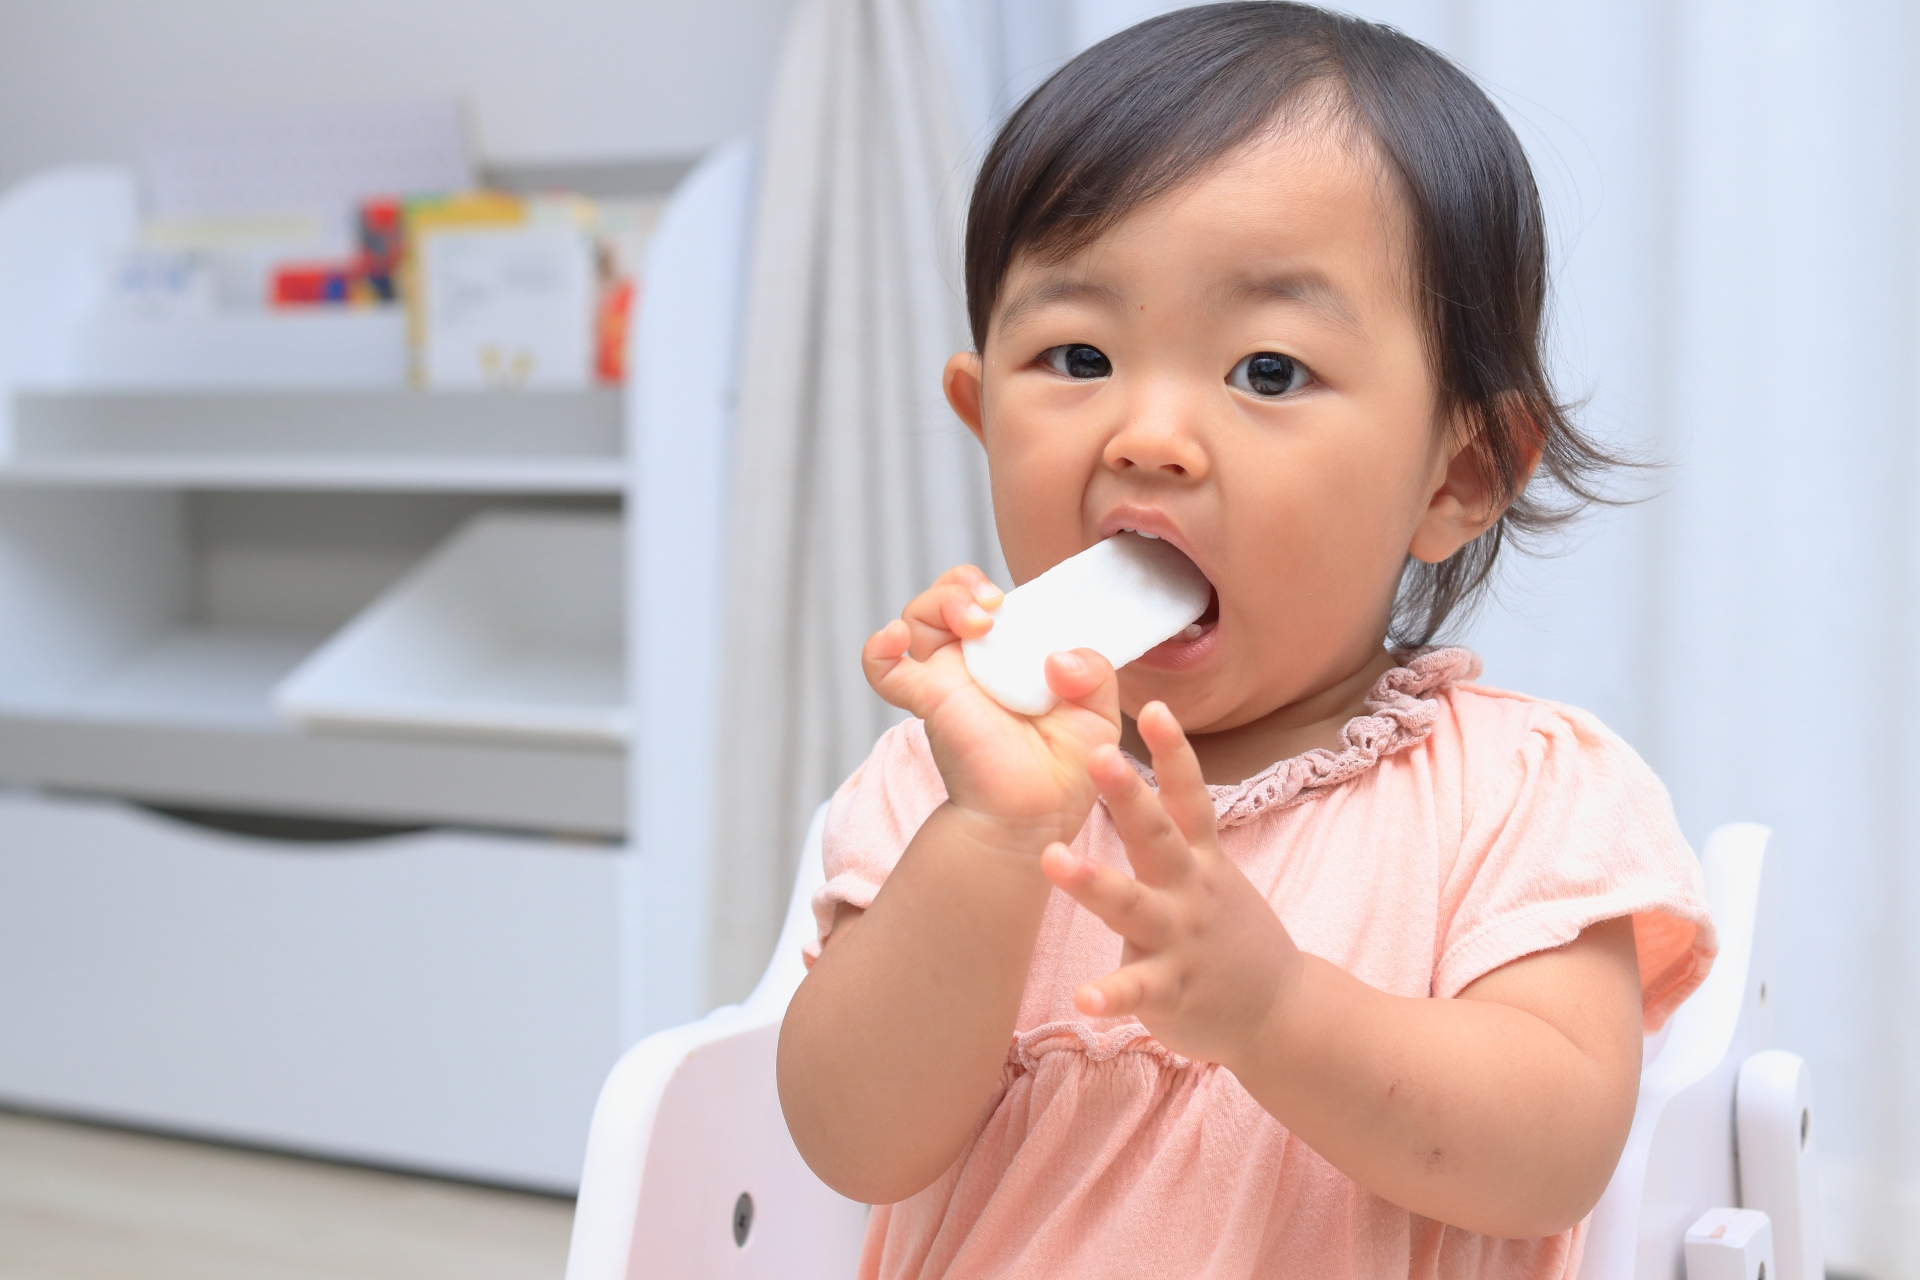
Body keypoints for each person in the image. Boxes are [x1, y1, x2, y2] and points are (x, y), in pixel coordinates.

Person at [776, 5, 1715, 1276]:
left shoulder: (1519, 795)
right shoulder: (943, 782)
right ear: (980, 413)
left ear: (1461, 473)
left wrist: (1277, 1011)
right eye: (1079, 353)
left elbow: (1553, 1151)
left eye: (1268, 370)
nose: (1148, 433)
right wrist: (990, 836)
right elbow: (853, 1144)